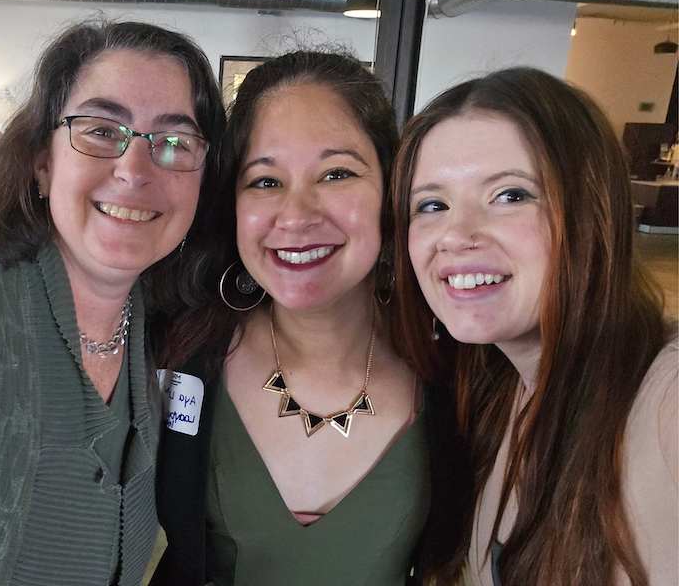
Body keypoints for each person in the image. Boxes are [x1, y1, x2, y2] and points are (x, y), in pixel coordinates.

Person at [0, 19, 224, 585]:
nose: (135, 170)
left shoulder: (163, 327)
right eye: (101, 130)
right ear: (43, 162)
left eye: (174, 142)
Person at [150, 51, 430, 585]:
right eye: (265, 181)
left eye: (336, 173)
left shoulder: (454, 369)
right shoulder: (178, 348)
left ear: (390, 190)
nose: (297, 215)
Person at [391, 67, 677, 586]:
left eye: (510, 195)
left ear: (592, 209)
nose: (456, 234)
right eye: (432, 205)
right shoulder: (492, 390)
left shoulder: (665, 398)